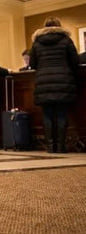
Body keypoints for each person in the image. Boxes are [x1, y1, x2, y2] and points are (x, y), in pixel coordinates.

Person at [30, 17, 79, 153]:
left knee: (47, 114)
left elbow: (32, 64)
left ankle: (51, 146)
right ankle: (62, 146)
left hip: (43, 82)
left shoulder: (37, 42)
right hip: (63, 80)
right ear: (59, 26)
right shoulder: (66, 40)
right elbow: (75, 61)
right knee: (62, 114)